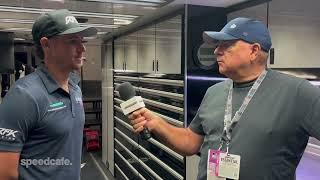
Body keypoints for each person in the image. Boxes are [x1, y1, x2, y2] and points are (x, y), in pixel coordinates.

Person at [129, 17, 320, 180]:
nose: (216, 51)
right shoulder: (214, 92)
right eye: (217, 45)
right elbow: (190, 143)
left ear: (254, 51)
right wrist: (157, 124)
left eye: (226, 45)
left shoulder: (298, 92)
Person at [0, 9, 97, 179]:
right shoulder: (24, 96)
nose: (82, 48)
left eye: (82, 41)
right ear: (46, 44)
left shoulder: (75, 89)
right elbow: (4, 173)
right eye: (73, 41)